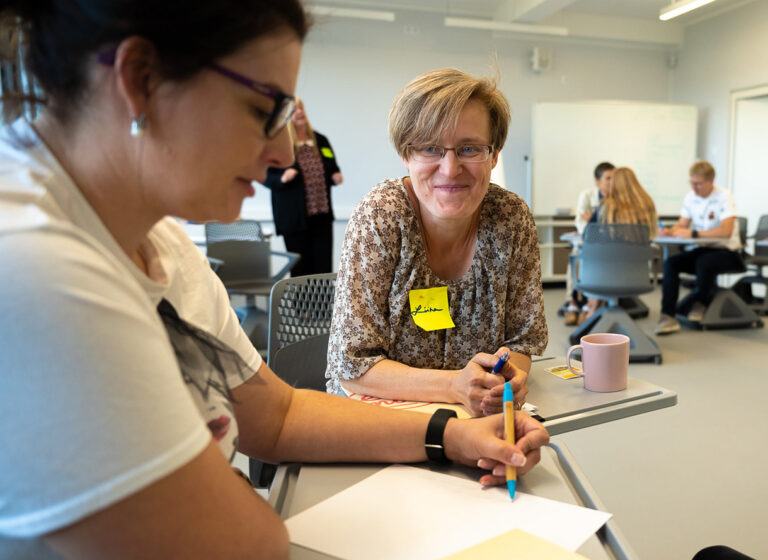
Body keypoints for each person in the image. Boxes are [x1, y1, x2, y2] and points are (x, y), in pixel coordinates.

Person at [0, 2, 550, 558]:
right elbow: (251, 544)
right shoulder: (32, 266)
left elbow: (279, 416)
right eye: (264, 108)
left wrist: (452, 435)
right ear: (141, 80)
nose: (285, 149)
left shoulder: (165, 247)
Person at [326, 68, 548, 418]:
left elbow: (521, 342)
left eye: (469, 149)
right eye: (430, 148)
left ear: (494, 155)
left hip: (476, 419)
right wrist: (454, 386)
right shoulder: (382, 215)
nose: (450, 168)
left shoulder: (511, 218)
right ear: (406, 154)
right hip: (382, 420)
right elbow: (351, 366)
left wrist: (509, 377)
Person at [655, 161, 743, 335]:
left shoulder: (724, 196)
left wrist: (694, 233)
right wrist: (668, 231)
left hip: (728, 252)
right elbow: (682, 225)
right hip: (703, 249)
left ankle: (700, 303)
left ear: (711, 181)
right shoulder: (690, 197)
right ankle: (668, 315)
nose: (694, 188)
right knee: (671, 263)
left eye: (699, 184)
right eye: (692, 183)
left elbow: (726, 231)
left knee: (704, 262)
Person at [262, 98, 343, 275]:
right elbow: (264, 175)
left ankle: (323, 296)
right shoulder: (279, 143)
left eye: (301, 108)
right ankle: (301, 296)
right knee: (301, 271)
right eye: (294, 110)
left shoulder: (320, 140)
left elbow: (331, 165)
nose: (299, 112)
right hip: (294, 219)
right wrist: (282, 179)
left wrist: (335, 175)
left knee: (323, 270)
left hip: (321, 216)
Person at [581, 166, 658, 318]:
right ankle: (594, 309)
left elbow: (588, 236)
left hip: (604, 276)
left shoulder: (607, 205)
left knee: (597, 258)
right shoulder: (648, 204)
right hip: (639, 276)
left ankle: (592, 310)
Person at [564, 162, 615, 326]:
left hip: (606, 247)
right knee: (576, 257)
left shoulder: (617, 199)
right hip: (586, 242)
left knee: (600, 259)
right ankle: (572, 303)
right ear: (597, 180)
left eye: (614, 178)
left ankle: (588, 305)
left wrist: (592, 221)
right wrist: (595, 227)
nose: (612, 182)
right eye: (608, 178)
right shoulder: (587, 195)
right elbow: (580, 222)